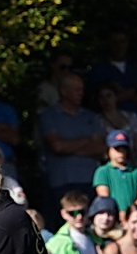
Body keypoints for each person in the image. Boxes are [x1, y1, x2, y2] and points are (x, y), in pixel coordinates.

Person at [38, 73, 107, 210]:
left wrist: (68, 146)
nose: (81, 93)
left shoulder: (91, 117)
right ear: (63, 91)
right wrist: (87, 140)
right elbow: (57, 146)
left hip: (90, 180)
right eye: (77, 90)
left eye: (82, 89)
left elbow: (101, 149)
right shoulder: (49, 116)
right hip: (61, 181)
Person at [92, 130, 137, 207]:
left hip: (133, 215)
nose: (121, 152)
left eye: (124, 148)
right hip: (112, 214)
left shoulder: (136, 172)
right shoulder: (102, 171)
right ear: (108, 150)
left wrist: (131, 212)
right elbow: (104, 197)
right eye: (117, 148)